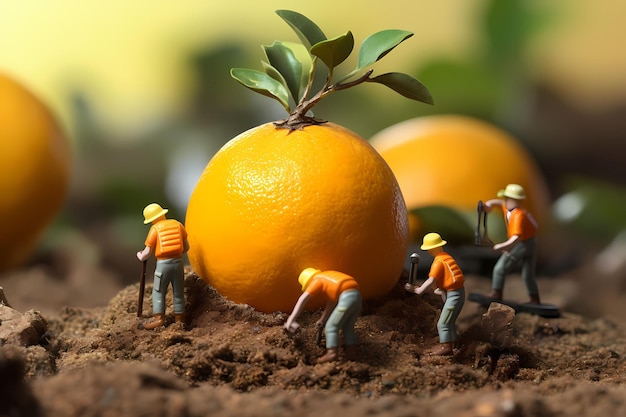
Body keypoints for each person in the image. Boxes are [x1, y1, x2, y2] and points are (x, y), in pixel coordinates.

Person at [284, 268, 362, 363]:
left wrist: (291, 319)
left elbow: (303, 299)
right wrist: (323, 319)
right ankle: (352, 352)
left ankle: (332, 353)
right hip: (356, 295)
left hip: (346, 297)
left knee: (331, 327)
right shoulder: (328, 277)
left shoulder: (317, 280)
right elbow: (332, 302)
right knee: (348, 326)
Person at [405, 233, 465, 356]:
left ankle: (446, 347)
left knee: (443, 323)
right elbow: (446, 278)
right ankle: (453, 344)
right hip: (455, 292)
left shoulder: (438, 262)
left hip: (454, 295)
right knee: (450, 321)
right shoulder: (446, 257)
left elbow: (431, 280)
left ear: (431, 249)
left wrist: (419, 290)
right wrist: (440, 290)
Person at [482, 184, 540, 304]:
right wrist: (490, 204)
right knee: (527, 274)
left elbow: (515, 238)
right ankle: (535, 299)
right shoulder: (509, 207)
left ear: (516, 200)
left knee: (499, 269)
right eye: (506, 198)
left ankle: (496, 294)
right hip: (531, 242)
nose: (506, 201)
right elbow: (499, 203)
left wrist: (503, 246)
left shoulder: (519, 215)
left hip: (523, 244)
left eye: (508, 198)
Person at [137, 203, 189, 330]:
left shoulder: (155, 229)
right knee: (178, 292)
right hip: (178, 263)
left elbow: (146, 253)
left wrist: (140, 255)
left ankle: (159, 319)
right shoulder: (177, 225)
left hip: (163, 265)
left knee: (158, 291)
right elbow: (187, 247)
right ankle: (179, 319)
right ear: (163, 213)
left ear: (151, 219)